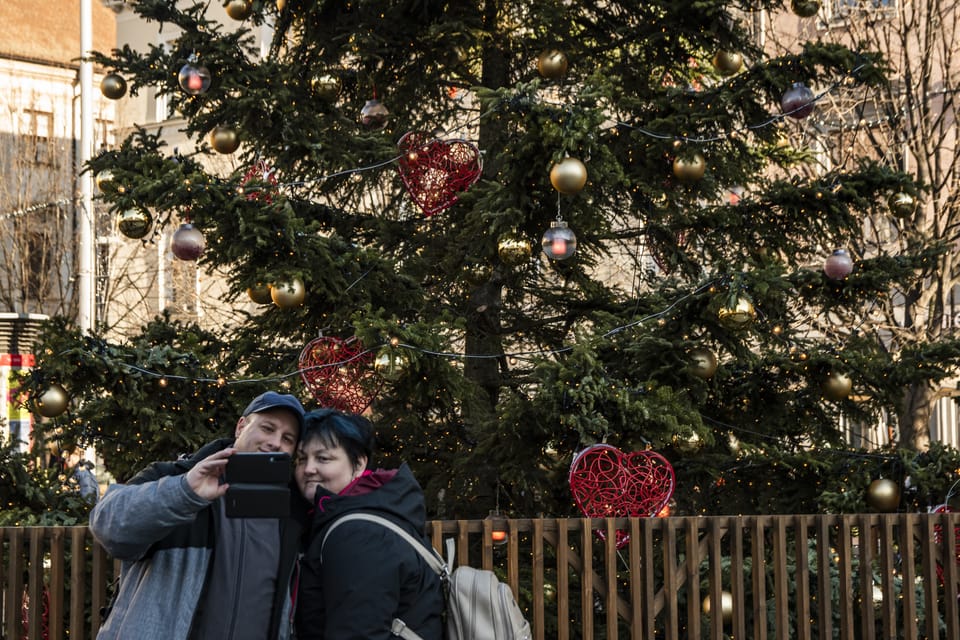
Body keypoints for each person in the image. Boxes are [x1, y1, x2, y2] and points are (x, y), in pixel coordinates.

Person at [89, 391, 308, 640]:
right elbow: (108, 526)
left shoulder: (293, 512)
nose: (276, 442)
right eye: (268, 428)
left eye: (288, 439)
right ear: (241, 427)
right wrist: (184, 492)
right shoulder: (177, 476)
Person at [294, 408, 443, 640]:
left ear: (359, 464)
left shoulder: (358, 532)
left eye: (323, 458)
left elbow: (359, 633)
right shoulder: (368, 509)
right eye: (302, 458)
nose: (308, 469)